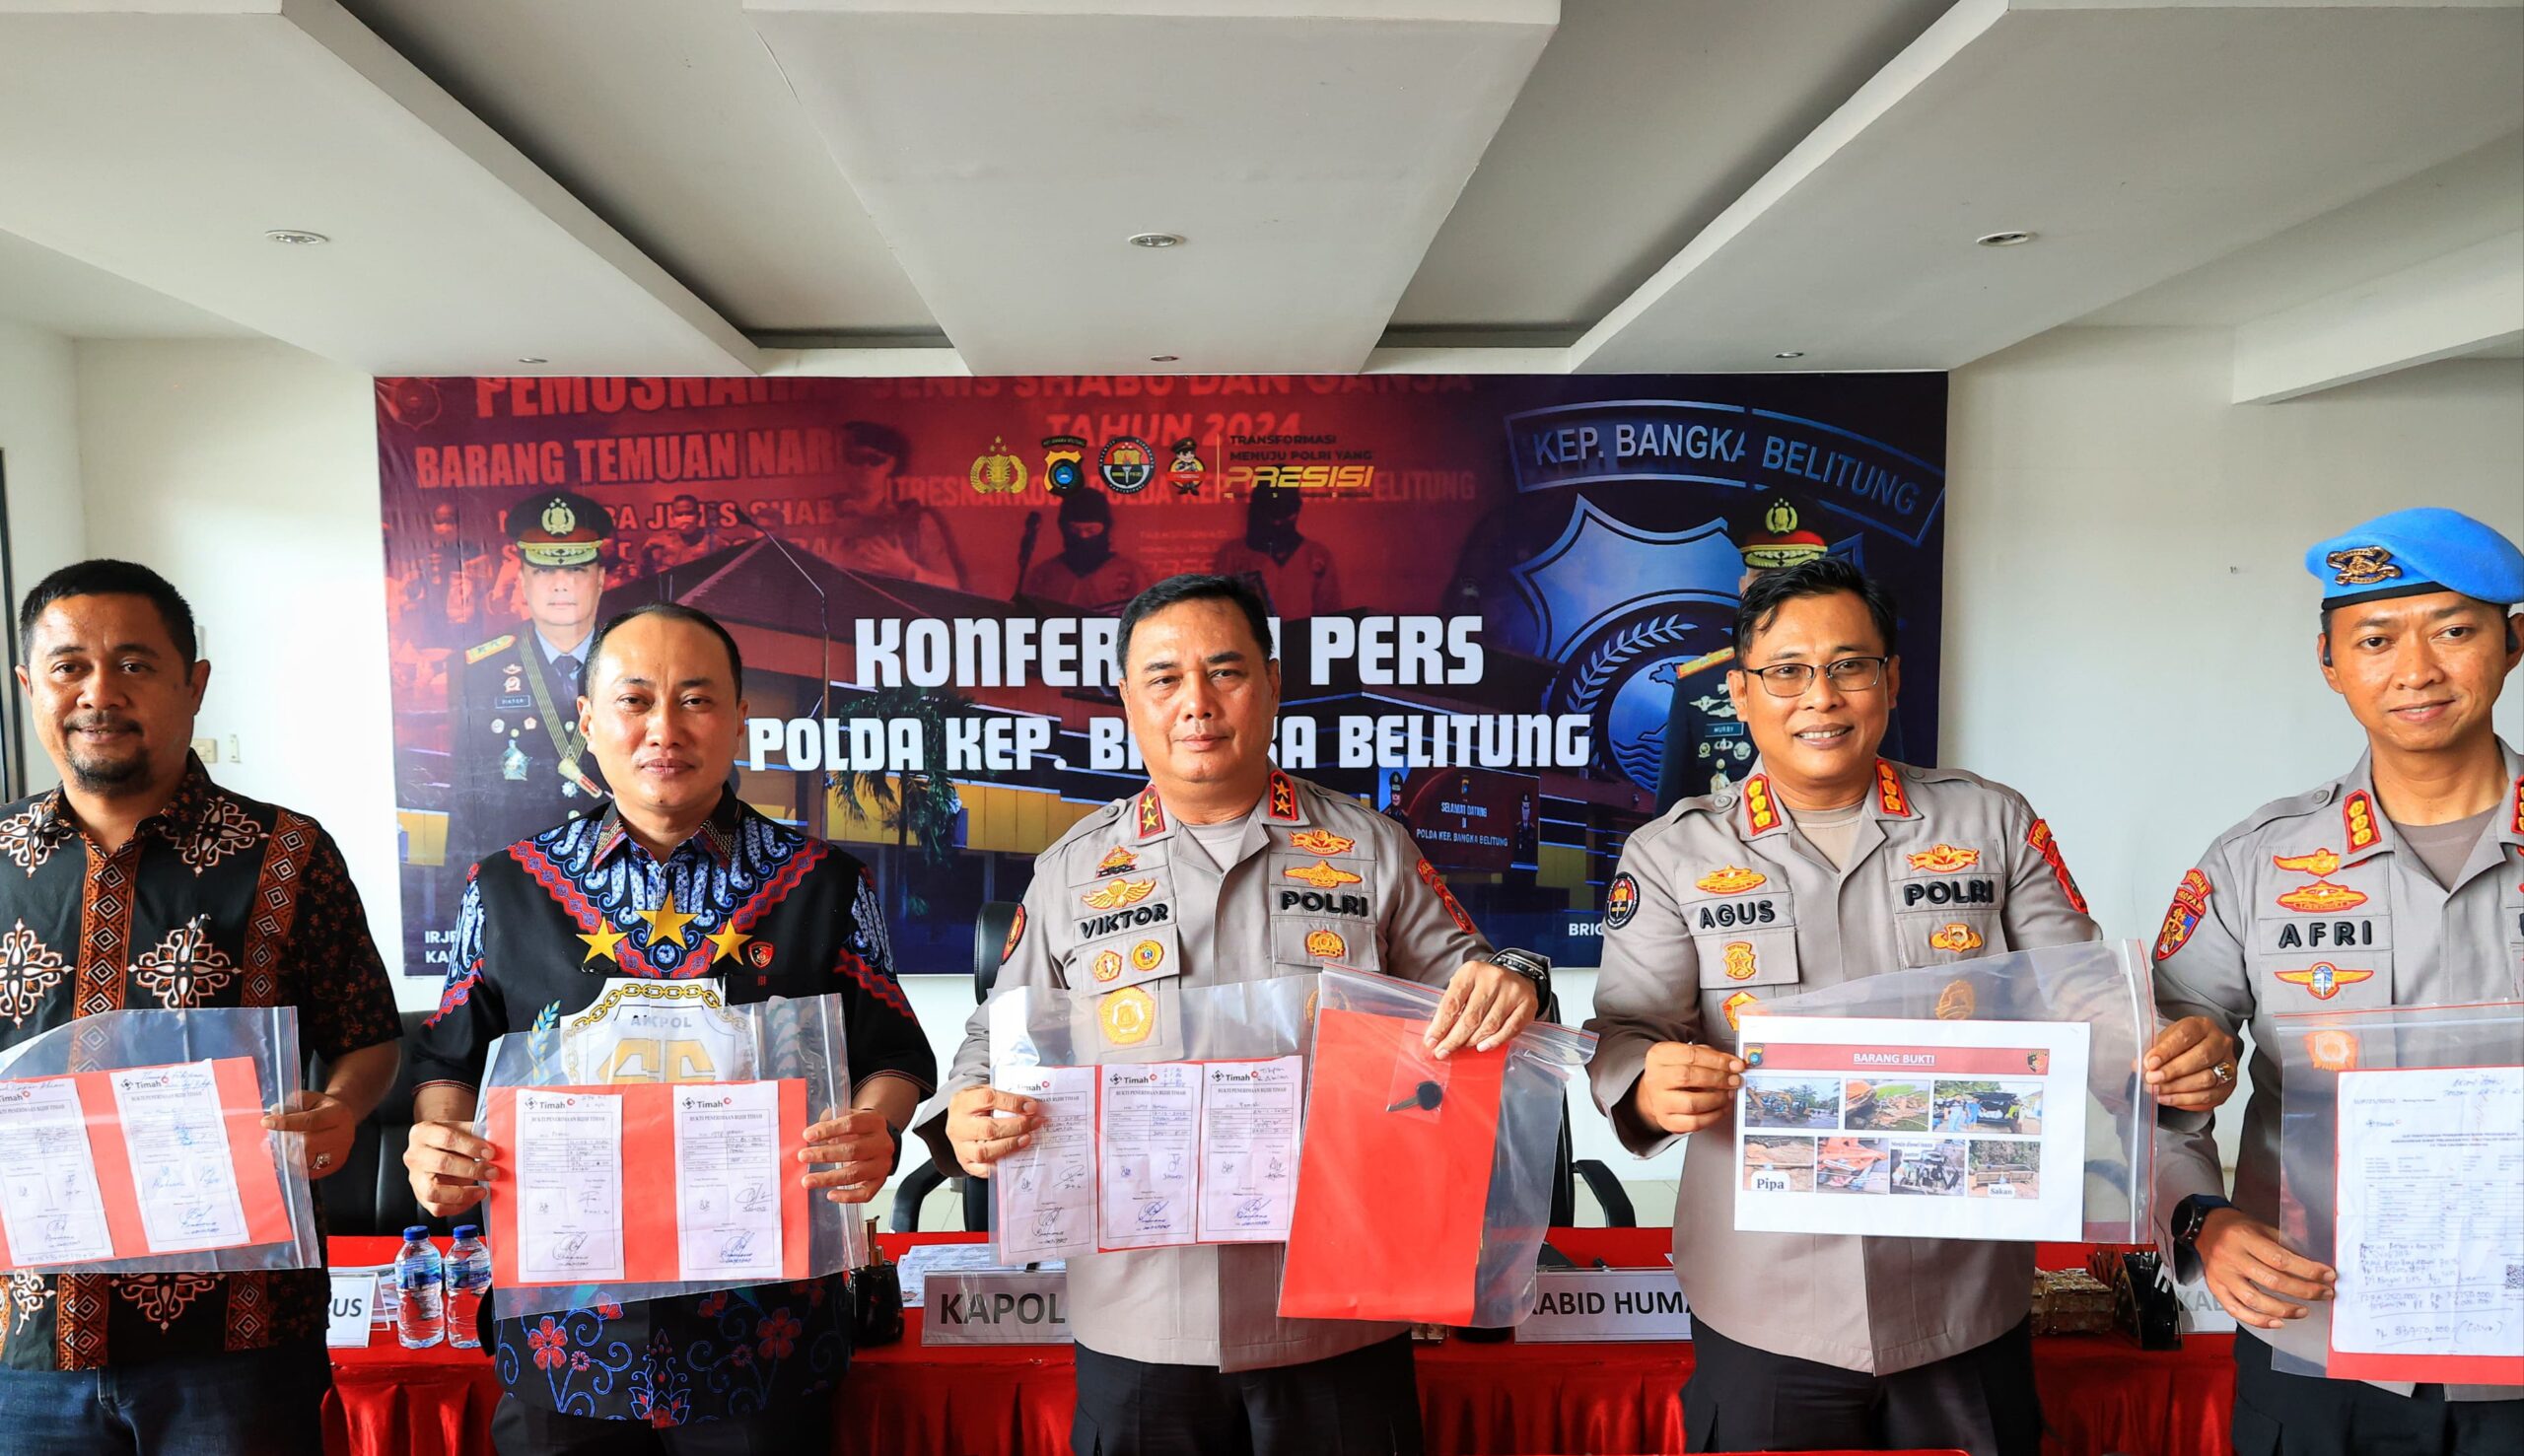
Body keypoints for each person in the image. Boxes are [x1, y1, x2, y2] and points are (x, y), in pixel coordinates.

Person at [1583, 557, 2236, 1456]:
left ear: (1890, 680)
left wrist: (2162, 1050)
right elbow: (1630, 1031)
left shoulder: (1988, 823)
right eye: (1787, 671)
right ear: (1740, 693)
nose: (1821, 696)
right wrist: (1651, 1085)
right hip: (1765, 1296)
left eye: (1849, 665)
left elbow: (2080, 985)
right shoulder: (1672, 854)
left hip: (1962, 1285)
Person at [919, 573, 1548, 1456]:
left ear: (1273, 683)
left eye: (1225, 671)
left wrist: (1514, 979)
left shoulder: (1369, 847)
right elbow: (999, 1034)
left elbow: (1478, 988)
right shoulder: (1071, 870)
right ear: (1128, 701)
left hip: (1337, 1314)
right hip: (1141, 1317)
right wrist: (964, 1107)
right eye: (1164, 678)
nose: (1197, 703)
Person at [405, 601, 937, 1454]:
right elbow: (449, 1060)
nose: (664, 728)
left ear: (739, 718)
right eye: (634, 699)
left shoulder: (823, 883)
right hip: (564, 1337)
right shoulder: (506, 887)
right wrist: (439, 1141)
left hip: (765, 1338)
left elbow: (894, 1053)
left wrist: (876, 1122)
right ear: (588, 720)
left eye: (695, 699)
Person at [0, 560, 402, 1454]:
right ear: (29, 687)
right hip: (25, 1336)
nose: (99, 692)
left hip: (237, 1340)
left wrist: (340, 1107)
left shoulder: (288, 854)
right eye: (68, 666)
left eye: (134, 663)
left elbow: (369, 1037)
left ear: (194, 683)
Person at [2153, 507, 2524, 1454]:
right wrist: (2202, 1218)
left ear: (2514, 643)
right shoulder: (2257, 865)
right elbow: (2150, 1089)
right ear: (2329, 662)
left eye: (2453, 629)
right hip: (2318, 1342)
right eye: (2375, 639)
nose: (2416, 669)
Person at [447, 490, 614, 875]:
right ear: (522, 580)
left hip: (617, 870)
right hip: (519, 877)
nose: (561, 585)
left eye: (577, 570)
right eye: (544, 571)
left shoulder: (636, 661)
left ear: (601, 579)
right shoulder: (480, 671)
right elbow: (466, 797)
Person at [828, 421, 966, 589]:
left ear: (890, 464)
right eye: (857, 459)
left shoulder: (916, 520)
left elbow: (951, 586)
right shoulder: (824, 516)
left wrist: (906, 570)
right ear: (845, 463)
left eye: (875, 460)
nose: (866, 467)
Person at [1213, 483, 1341, 617]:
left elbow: (1330, 614)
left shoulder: (1317, 556)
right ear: (1257, 510)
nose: (1277, 523)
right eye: (1271, 514)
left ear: (1297, 509)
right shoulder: (1233, 554)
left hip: (1301, 631)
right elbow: (1220, 612)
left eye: (1285, 513)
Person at [1020, 486, 1147, 611]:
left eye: (1091, 530)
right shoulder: (1044, 574)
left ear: (1105, 529)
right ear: (1064, 529)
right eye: (1075, 530)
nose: (1083, 536)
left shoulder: (1129, 573)